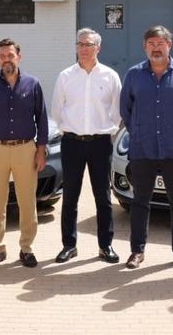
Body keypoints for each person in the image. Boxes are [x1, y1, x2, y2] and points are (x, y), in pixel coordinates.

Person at [119, 25, 173, 269]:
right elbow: (126, 109)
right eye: (151, 44)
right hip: (143, 148)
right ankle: (137, 251)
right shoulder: (134, 75)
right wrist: (138, 131)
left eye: (160, 43)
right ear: (145, 47)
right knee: (140, 202)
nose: (156, 48)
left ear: (170, 45)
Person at [0, 38, 48, 268]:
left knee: (28, 201)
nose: (7, 59)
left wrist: (41, 150)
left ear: (19, 56)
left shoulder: (33, 84)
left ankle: (26, 248)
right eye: (3, 56)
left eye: (11, 55)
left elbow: (42, 118)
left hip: (25, 149)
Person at [52, 28, 123, 264]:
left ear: (98, 48)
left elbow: (117, 110)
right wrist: (68, 129)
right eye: (80, 44)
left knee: (102, 197)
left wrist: (108, 129)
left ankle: (106, 246)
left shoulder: (110, 76)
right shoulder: (65, 76)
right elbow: (57, 110)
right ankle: (69, 245)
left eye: (88, 44)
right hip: (72, 142)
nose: (83, 48)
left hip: (100, 143)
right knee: (70, 196)